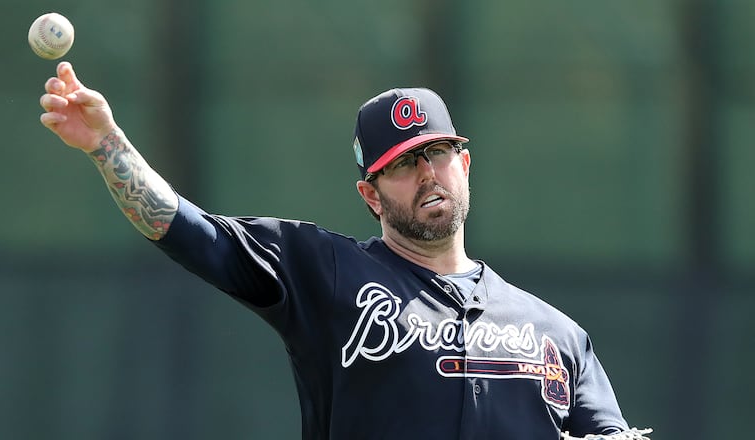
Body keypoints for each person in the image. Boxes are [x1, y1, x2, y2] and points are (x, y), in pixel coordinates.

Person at [39, 62, 650, 439]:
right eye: (403, 165)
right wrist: (107, 146)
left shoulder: (557, 335)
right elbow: (189, 230)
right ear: (371, 194)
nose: (427, 175)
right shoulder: (326, 274)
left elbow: (607, 434)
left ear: (464, 164)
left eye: (436, 155)